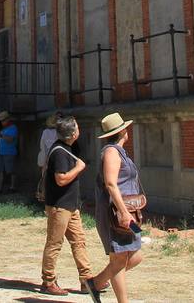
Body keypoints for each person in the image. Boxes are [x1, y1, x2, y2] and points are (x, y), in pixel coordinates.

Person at [88, 113, 144, 303]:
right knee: (119, 258)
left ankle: (95, 283)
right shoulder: (111, 152)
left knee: (137, 255)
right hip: (116, 213)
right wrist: (123, 212)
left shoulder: (120, 152)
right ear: (123, 131)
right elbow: (111, 184)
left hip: (131, 213)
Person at [39, 116, 95, 296]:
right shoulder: (60, 152)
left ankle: (87, 281)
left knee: (79, 241)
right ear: (72, 133)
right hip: (59, 206)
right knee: (55, 243)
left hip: (70, 205)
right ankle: (48, 281)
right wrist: (79, 168)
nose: (79, 130)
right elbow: (61, 179)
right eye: (77, 127)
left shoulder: (66, 148)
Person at [0, 111, 19, 193]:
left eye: (3, 120)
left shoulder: (13, 128)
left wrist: (0, 134)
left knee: (11, 171)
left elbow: (10, 139)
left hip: (9, 153)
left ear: (8, 120)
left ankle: (12, 187)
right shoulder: (4, 129)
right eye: (1, 121)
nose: (2, 122)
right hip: (1, 152)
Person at [37, 112, 61, 203]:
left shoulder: (45, 132)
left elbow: (43, 146)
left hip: (45, 158)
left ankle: (45, 200)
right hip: (50, 159)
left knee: (45, 180)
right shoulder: (56, 133)